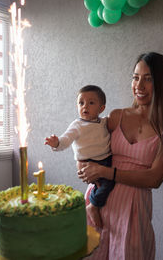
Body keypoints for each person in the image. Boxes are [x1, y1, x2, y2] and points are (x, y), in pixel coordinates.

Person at [77, 52, 163, 260]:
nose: (139, 86)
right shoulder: (116, 116)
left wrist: (107, 171)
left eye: (148, 79)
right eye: (135, 77)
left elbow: (154, 178)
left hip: (133, 212)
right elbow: (86, 138)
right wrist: (82, 164)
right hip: (97, 203)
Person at [45, 85, 115, 228]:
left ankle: (95, 201)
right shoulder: (77, 125)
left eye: (91, 103)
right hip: (89, 162)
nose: (85, 107)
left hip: (106, 160)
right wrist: (56, 143)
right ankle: (93, 206)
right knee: (108, 182)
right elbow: (66, 139)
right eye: (81, 103)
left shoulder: (103, 122)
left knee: (108, 182)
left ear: (101, 108)